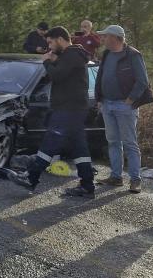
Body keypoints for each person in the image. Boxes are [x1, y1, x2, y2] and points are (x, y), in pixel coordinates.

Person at [8, 27, 96, 198]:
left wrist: (47, 61)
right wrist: (55, 60)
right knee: (79, 148)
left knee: (50, 142)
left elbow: (58, 75)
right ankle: (87, 185)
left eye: (50, 42)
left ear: (60, 39)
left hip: (68, 109)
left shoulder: (72, 55)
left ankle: (31, 178)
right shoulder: (71, 56)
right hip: (73, 109)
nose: (48, 46)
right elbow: (63, 73)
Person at [94, 24, 153, 193]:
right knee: (113, 142)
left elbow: (142, 81)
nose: (102, 39)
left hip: (124, 105)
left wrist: (130, 99)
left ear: (115, 37)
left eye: (105, 36)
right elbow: (100, 77)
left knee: (129, 143)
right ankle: (116, 177)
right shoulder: (106, 54)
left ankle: (135, 180)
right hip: (107, 103)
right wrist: (99, 98)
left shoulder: (133, 55)